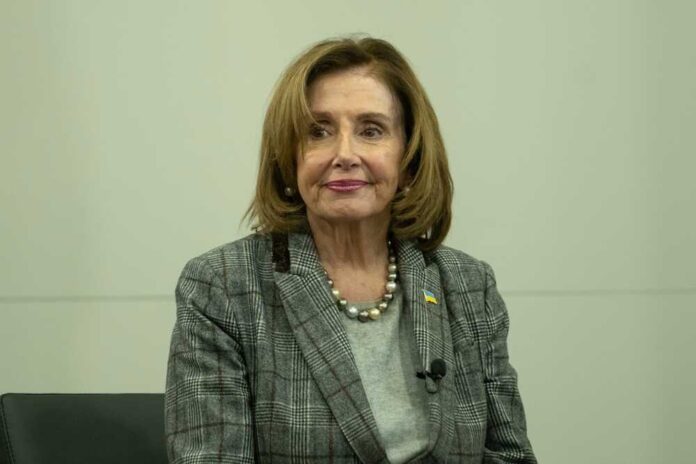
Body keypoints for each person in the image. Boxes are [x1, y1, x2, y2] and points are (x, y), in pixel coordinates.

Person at [165, 36, 537, 464]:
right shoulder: (223, 287)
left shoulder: (469, 285)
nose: (344, 154)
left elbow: (510, 455)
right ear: (289, 157)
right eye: (318, 131)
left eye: (371, 130)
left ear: (409, 158)